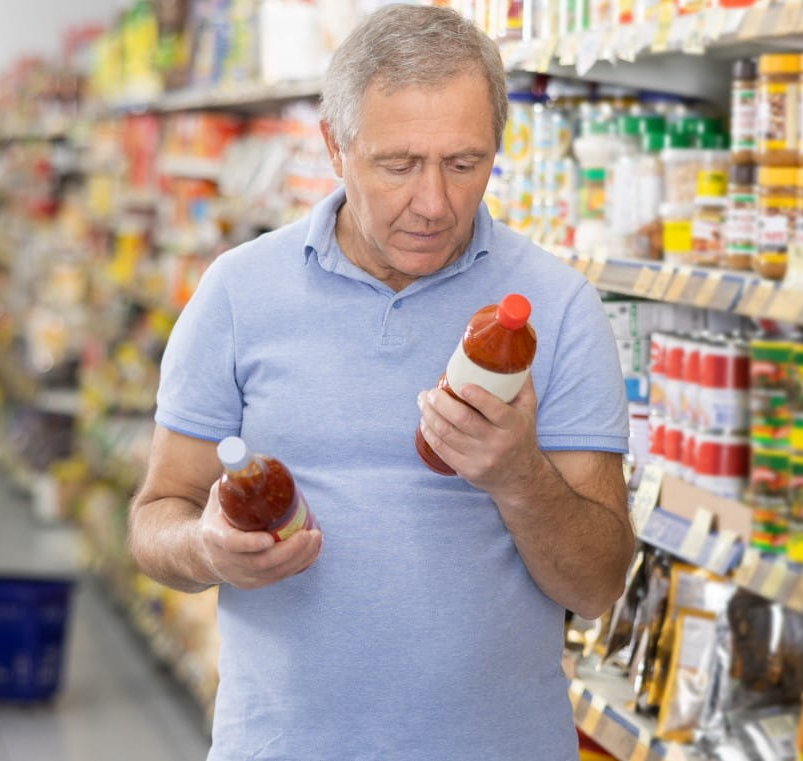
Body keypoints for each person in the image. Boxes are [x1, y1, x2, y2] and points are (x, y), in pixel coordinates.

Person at [127, 6, 636, 759]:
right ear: (334, 146)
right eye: (399, 165)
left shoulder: (557, 307)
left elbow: (597, 586)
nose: (434, 204)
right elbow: (154, 517)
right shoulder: (238, 292)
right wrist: (205, 548)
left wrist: (517, 474)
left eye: (464, 164)